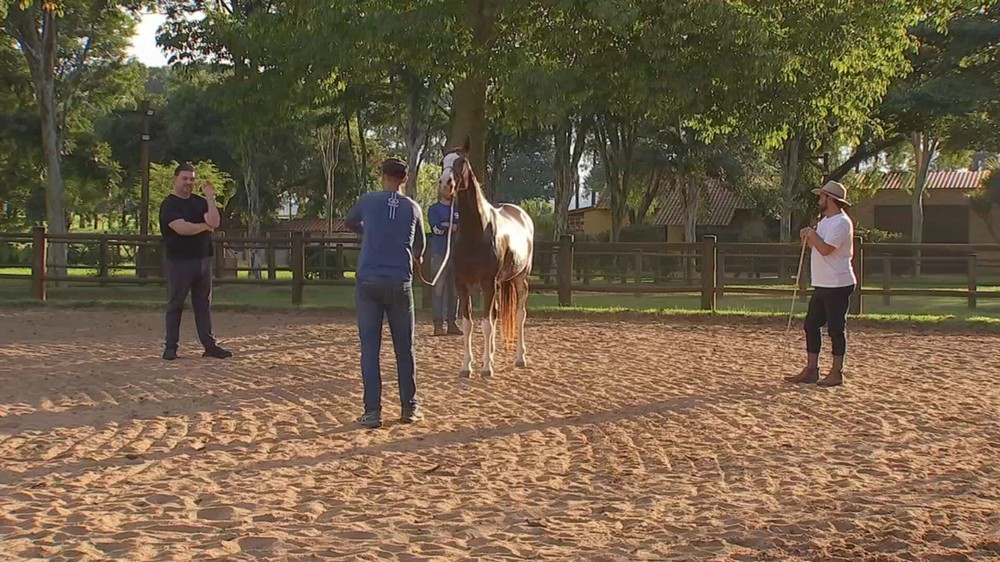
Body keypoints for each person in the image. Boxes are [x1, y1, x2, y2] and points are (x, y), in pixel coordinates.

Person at [345, 157, 426, 429]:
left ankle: (372, 411)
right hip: (400, 282)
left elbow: (349, 222)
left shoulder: (367, 200)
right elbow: (420, 246)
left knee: (370, 348)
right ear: (405, 179)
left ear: (382, 176)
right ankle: (409, 407)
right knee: (405, 347)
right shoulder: (413, 208)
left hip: (369, 280)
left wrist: (368, 232)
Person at [159, 163, 232, 360]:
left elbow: (215, 222)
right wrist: (204, 227)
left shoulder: (200, 202)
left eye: (191, 179)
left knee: (203, 304)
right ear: (176, 179)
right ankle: (171, 347)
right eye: (185, 178)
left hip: (203, 260)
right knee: (176, 304)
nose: (188, 182)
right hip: (179, 261)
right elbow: (182, 228)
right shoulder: (170, 204)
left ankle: (209, 345)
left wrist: (210, 198)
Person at [786, 181, 857, 387]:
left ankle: (836, 372)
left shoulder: (842, 223)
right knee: (811, 325)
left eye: (822, 197)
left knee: (836, 328)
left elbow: (826, 249)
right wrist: (807, 236)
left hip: (837, 283)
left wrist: (812, 235)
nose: (819, 200)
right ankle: (811, 369)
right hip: (823, 283)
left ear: (830, 199)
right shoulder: (826, 221)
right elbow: (817, 246)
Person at [427, 183, 462, 336]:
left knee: (455, 290)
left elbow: (463, 228)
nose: (449, 190)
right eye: (446, 187)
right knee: (438, 289)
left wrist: (447, 225)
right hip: (439, 254)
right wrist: (450, 226)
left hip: (457, 255)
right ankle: (438, 324)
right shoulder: (434, 209)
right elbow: (436, 229)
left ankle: (452, 322)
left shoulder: (459, 210)